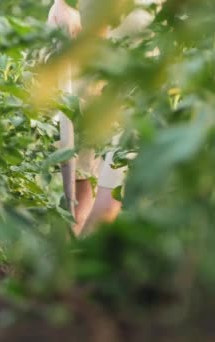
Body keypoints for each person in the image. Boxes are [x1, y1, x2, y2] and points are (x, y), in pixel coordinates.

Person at [47, 0, 127, 236]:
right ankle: (72, 255)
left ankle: (81, 262)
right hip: (89, 29)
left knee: (113, 182)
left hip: (141, 37)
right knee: (78, 176)